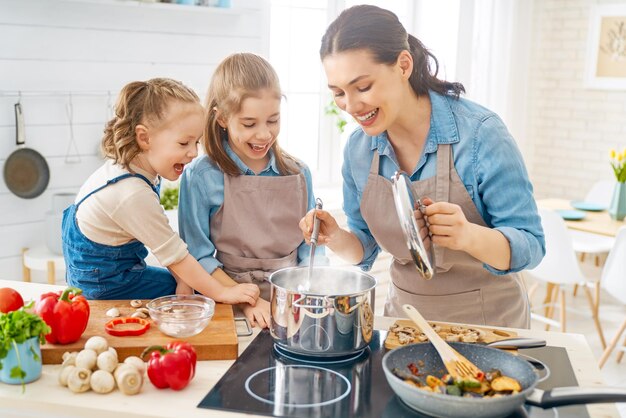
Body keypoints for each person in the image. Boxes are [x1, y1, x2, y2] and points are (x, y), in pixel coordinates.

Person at [300, 5, 545, 328]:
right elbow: (364, 248)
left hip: (489, 326)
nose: (351, 106)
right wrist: (335, 237)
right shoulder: (359, 151)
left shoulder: (481, 134)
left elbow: (531, 245)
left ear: (403, 65)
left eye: (362, 87)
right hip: (405, 322)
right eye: (338, 93)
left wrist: (467, 235)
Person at [62, 77, 260, 307]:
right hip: (106, 285)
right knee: (201, 293)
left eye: (196, 142)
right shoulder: (131, 193)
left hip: (105, 273)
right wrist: (223, 293)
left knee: (189, 284)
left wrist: (182, 279)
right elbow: (176, 256)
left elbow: (164, 242)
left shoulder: (130, 168)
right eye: (184, 143)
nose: (194, 153)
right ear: (144, 138)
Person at [178, 53, 325, 329]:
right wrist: (245, 299)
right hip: (225, 301)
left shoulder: (298, 173)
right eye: (249, 124)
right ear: (221, 118)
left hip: (293, 303)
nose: (264, 135)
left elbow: (311, 249)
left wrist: (308, 290)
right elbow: (197, 256)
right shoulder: (200, 176)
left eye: (273, 120)